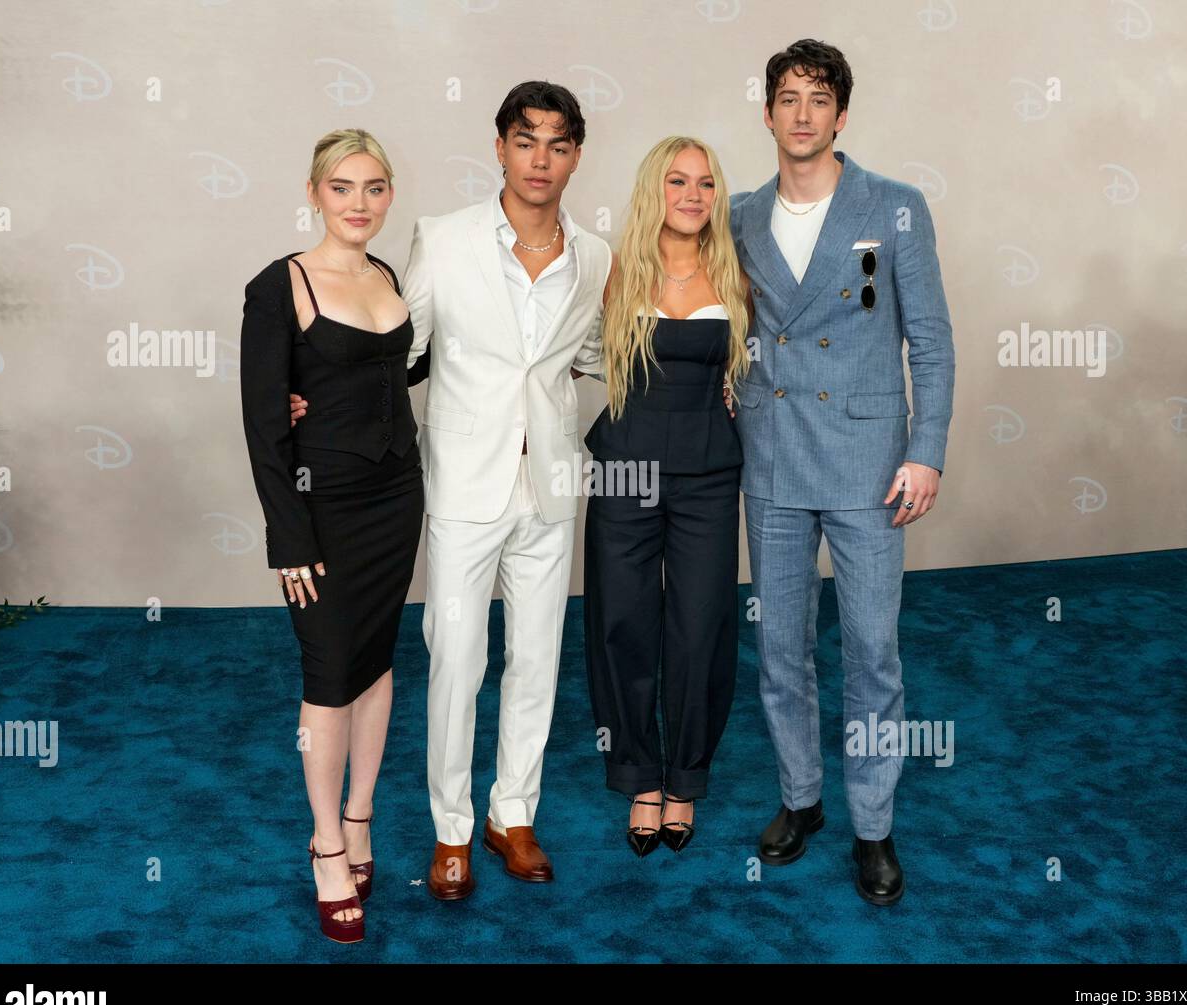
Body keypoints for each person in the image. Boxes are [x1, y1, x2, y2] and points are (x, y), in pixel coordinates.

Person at [289, 83, 610, 900]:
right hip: (463, 484)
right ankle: (453, 829)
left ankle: (514, 814)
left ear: (576, 155)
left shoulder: (597, 256)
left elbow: (601, 353)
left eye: (560, 143)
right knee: (458, 661)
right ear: (499, 146)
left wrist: (701, 377)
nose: (542, 159)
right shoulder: (446, 238)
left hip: (551, 485)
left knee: (537, 660)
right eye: (526, 140)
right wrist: (312, 398)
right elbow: (398, 350)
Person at [729, 39, 955, 905]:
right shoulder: (741, 215)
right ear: (768, 113)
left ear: (841, 115)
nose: (801, 113)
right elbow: (723, 325)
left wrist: (926, 449)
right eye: (786, 97)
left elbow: (928, 342)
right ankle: (801, 798)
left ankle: (872, 824)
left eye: (818, 98)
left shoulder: (894, 206)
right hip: (773, 459)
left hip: (869, 465)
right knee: (780, 648)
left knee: (871, 650)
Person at [240, 129, 426, 942]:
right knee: (327, 671)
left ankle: (360, 820)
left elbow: (397, 368)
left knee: (376, 661)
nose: (360, 204)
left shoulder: (387, 274)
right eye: (343, 188)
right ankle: (324, 844)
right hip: (321, 505)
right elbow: (260, 422)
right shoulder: (278, 285)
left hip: (396, 495)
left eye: (375, 188)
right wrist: (288, 538)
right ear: (316, 192)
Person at [581, 136, 751, 856]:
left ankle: (684, 777)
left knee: (699, 624)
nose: (693, 194)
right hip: (626, 465)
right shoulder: (613, 270)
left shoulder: (737, 274)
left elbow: (781, 360)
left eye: (706, 184)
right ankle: (638, 776)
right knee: (622, 620)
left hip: (710, 471)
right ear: (655, 188)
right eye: (678, 181)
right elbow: (553, 351)